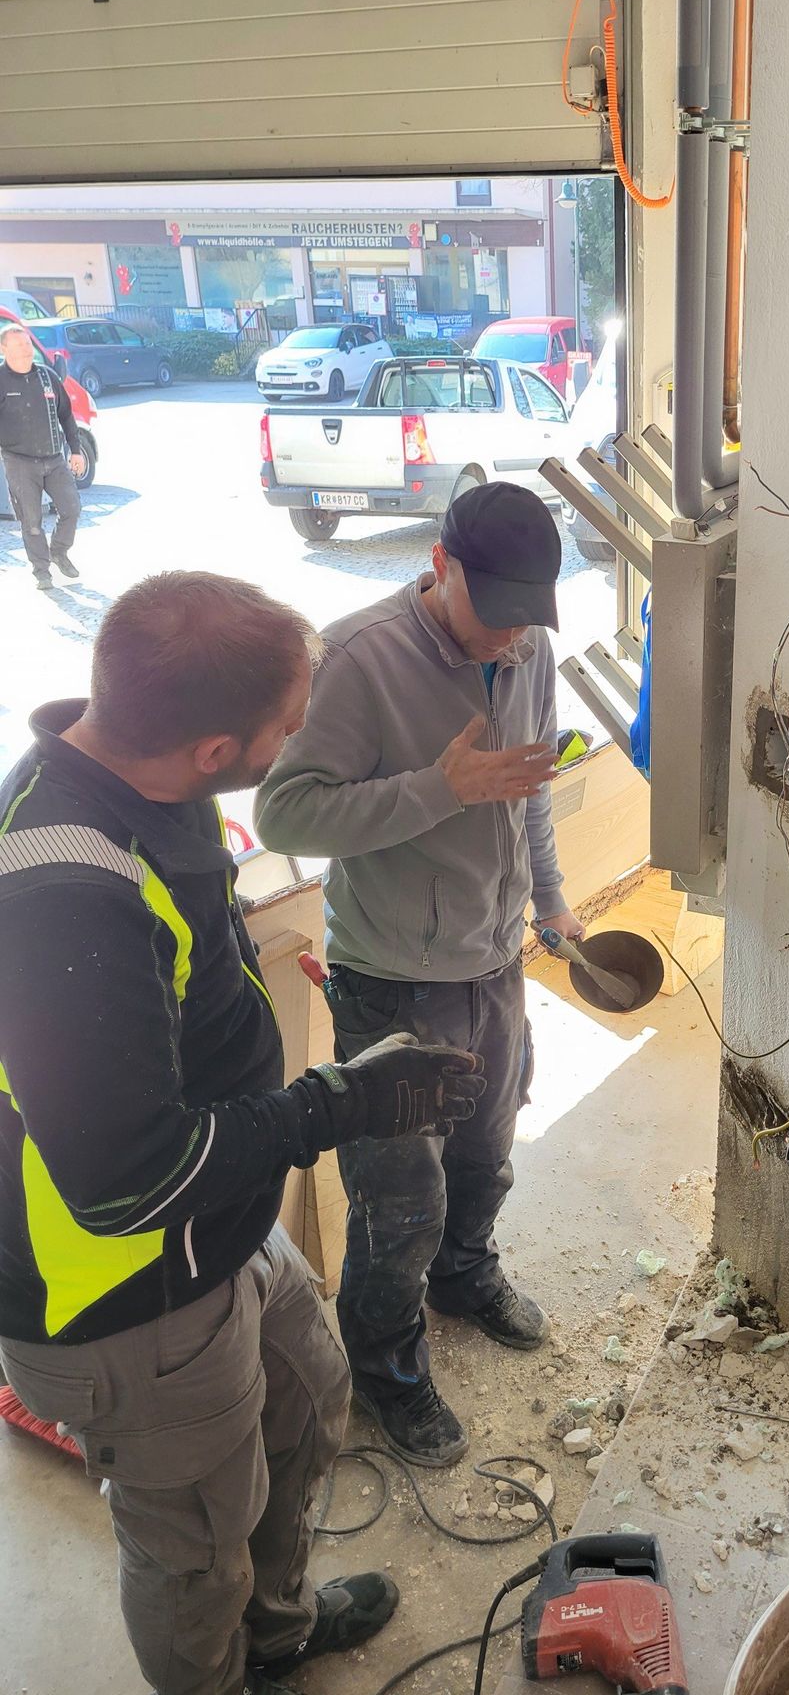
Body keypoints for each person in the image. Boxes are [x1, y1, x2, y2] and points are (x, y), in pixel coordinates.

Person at [0, 572, 486, 1695]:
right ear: (217, 749)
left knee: (309, 1405)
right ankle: (217, 1670)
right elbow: (124, 1185)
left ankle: (278, 1628)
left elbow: (186, 993)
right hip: (125, 1296)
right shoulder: (63, 897)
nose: (304, 729)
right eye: (290, 719)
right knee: (192, 1548)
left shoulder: (142, 777)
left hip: (218, 1228)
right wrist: (338, 1104)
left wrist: (298, 1071)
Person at [255, 481, 585, 1469]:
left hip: (492, 962)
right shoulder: (356, 660)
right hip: (391, 977)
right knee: (402, 1200)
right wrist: (439, 792)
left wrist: (552, 899)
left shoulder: (527, 644)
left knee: (487, 1151)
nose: (511, 639)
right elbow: (284, 817)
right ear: (440, 567)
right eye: (497, 615)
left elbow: (527, 789)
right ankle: (390, 1375)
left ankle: (467, 1279)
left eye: (530, 617)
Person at [0, 320, 84, 590]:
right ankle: (42, 571)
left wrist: (76, 450)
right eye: (19, 345)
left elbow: (67, 416)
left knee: (72, 509)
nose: (26, 349)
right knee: (32, 521)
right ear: (3, 349)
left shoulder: (48, 376)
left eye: (27, 343)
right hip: (19, 462)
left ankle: (59, 550)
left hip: (54, 458)